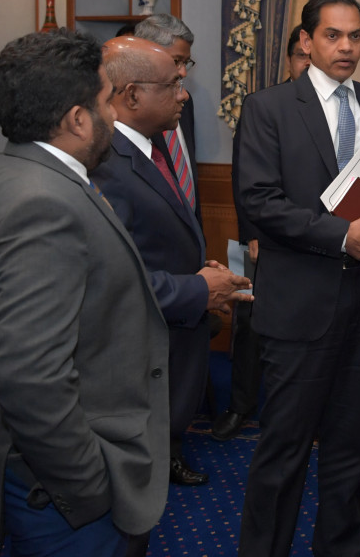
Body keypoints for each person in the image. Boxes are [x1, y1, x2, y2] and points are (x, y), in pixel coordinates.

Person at [0, 30, 170, 557]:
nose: (113, 117)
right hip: (61, 496)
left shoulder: (7, 170)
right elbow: (29, 376)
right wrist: (88, 488)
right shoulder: (42, 204)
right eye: (103, 102)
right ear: (77, 118)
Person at [235, 0, 360, 556]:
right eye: (334, 35)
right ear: (307, 41)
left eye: (355, 36)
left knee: (350, 450)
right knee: (283, 451)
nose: (346, 47)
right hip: (298, 306)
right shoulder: (268, 108)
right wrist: (344, 236)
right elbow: (260, 201)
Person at [91, 36, 252, 487]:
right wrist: (199, 289)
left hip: (173, 327)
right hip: (139, 348)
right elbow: (117, 274)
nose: (184, 93)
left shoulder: (149, 144)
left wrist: (204, 275)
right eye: (173, 84)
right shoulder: (106, 163)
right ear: (133, 95)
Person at [212, 25, 310, 442]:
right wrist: (249, 230)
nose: (307, 65)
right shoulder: (262, 105)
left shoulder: (345, 108)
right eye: (301, 58)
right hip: (255, 235)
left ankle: (306, 410)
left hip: (314, 238)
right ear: (290, 59)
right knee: (248, 324)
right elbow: (243, 178)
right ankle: (240, 406)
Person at [133, 14, 199, 218]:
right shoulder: (132, 113)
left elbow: (187, 177)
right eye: (176, 61)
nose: (183, 72)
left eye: (186, 62)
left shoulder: (185, 103)